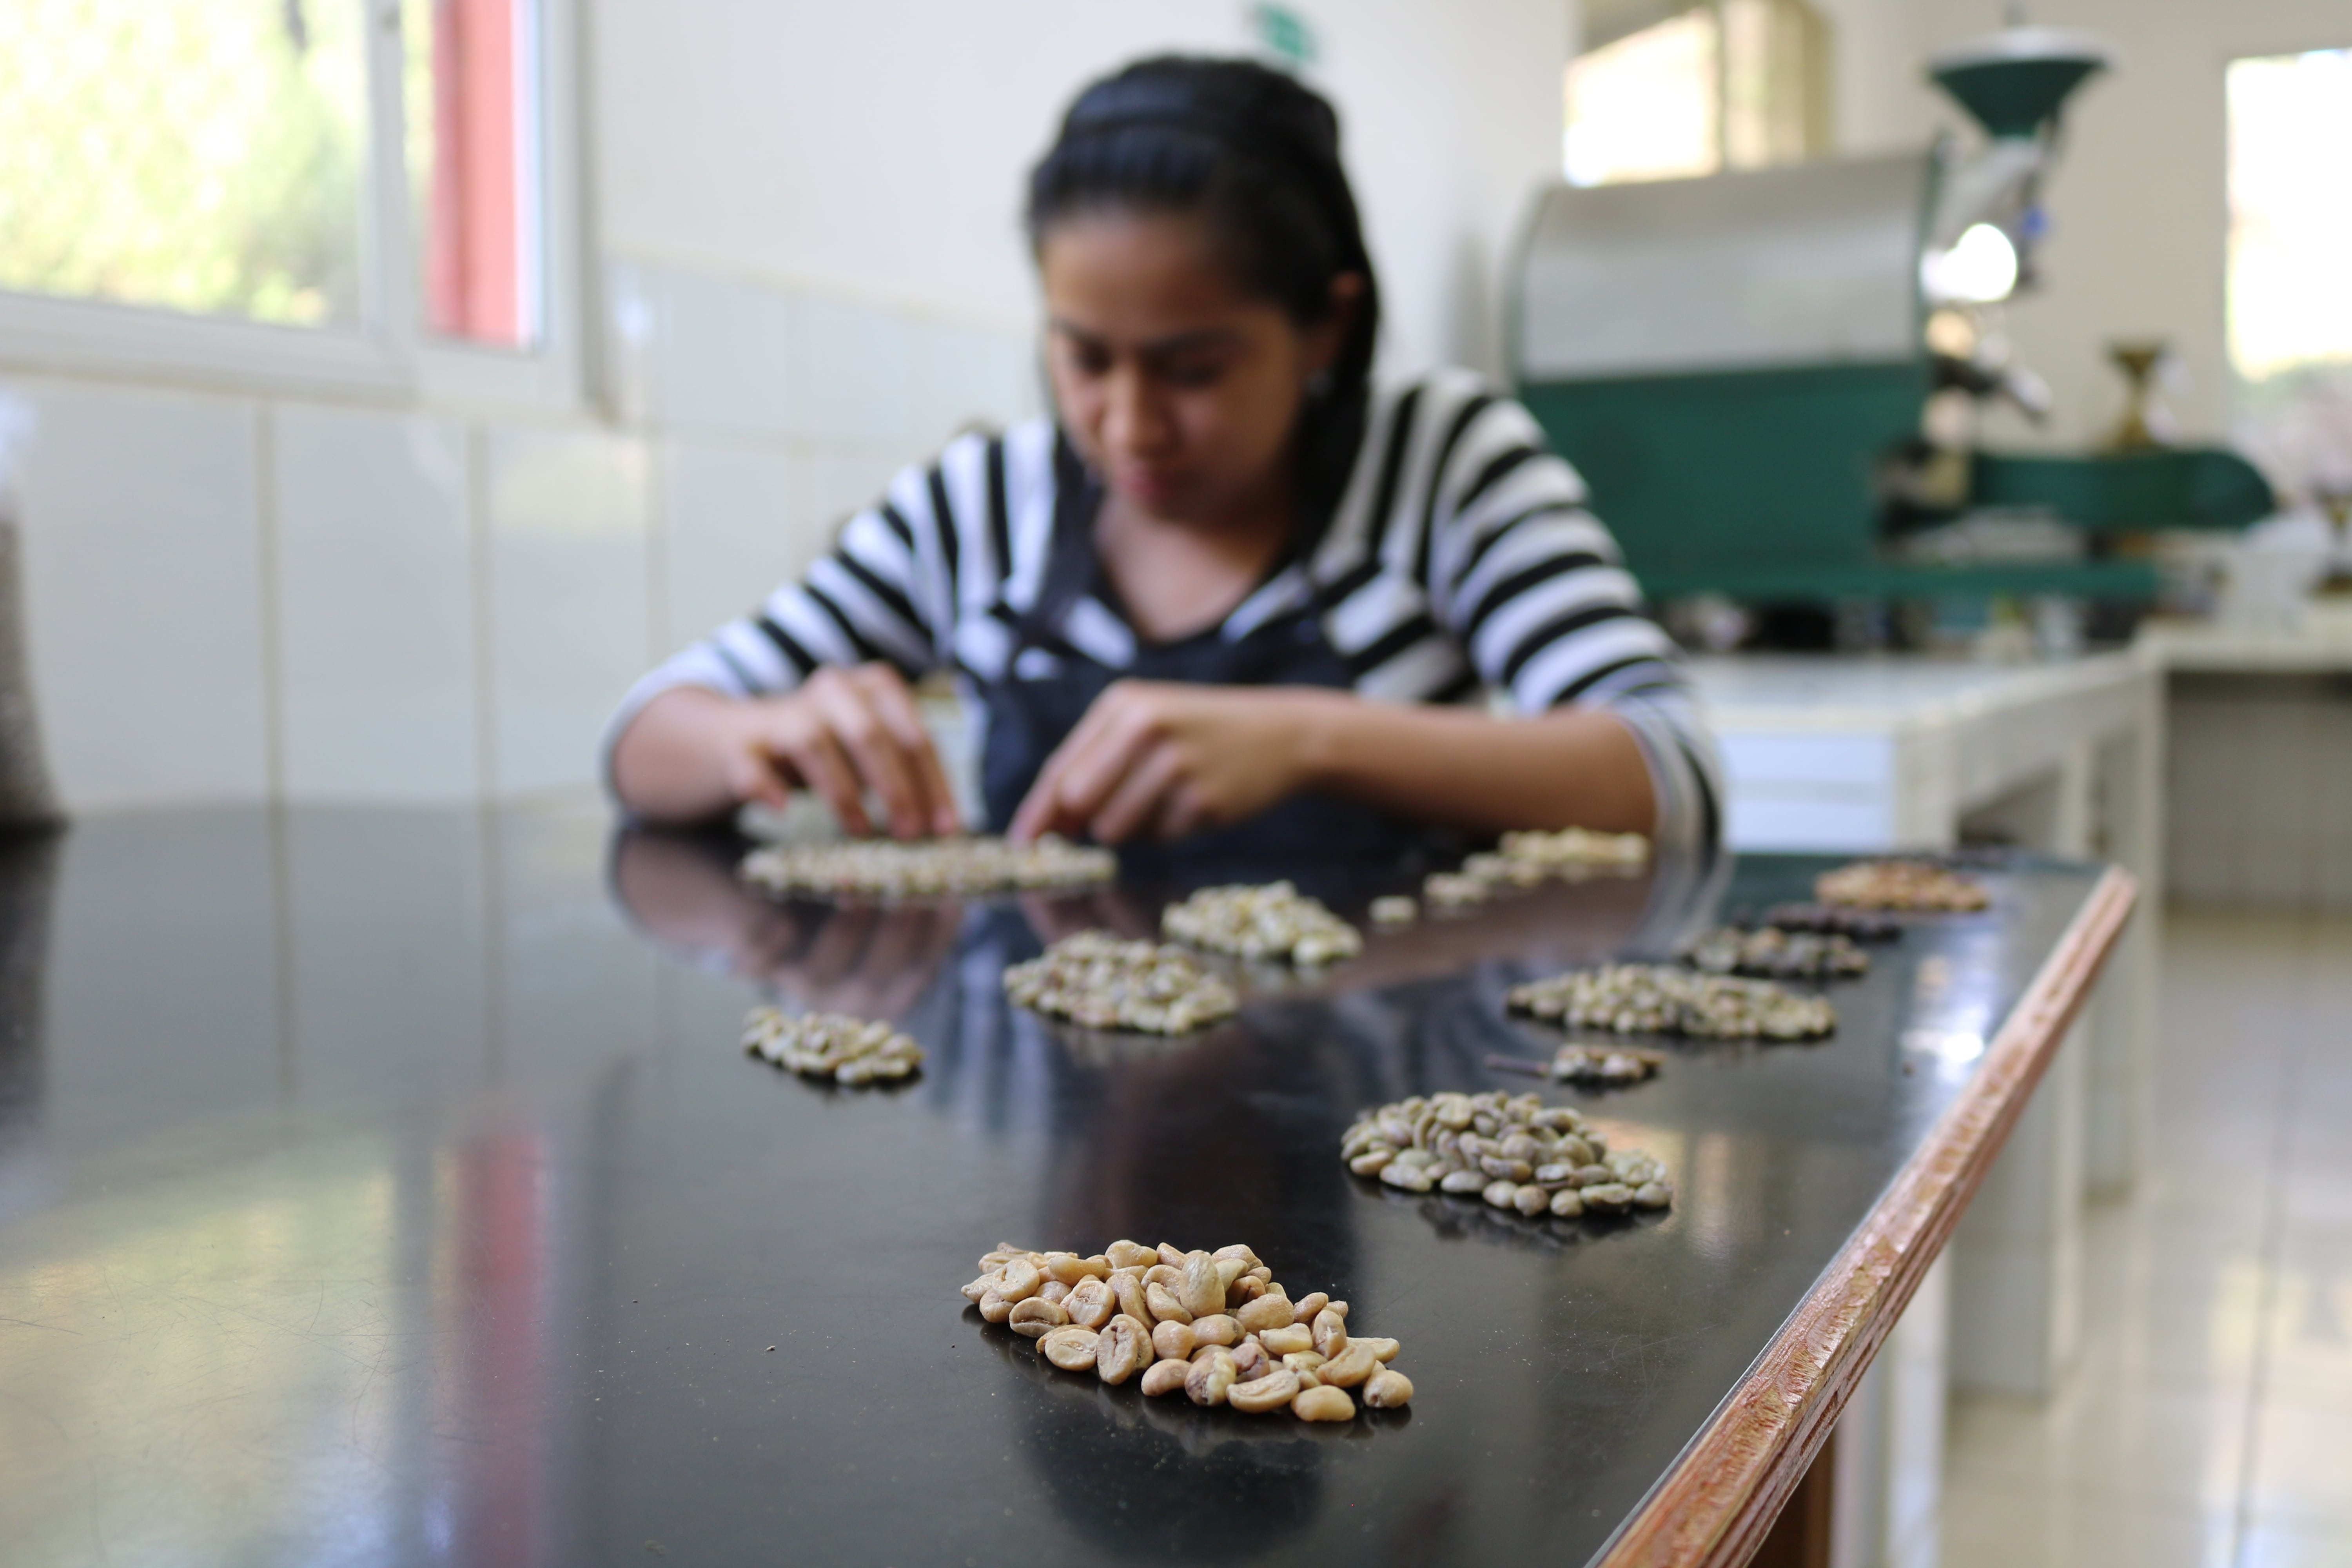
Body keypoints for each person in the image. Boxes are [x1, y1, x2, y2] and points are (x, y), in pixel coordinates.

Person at [606, 56, 1719, 864]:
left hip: (1385, 1127)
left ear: (1325, 329)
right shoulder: (983, 506)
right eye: (1084, 359)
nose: (1130, 425)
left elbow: (1670, 774)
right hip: (1051, 1129)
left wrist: (1311, 739)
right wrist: (766, 730)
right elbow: (646, 742)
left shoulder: (1440, 466)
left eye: (1193, 369)